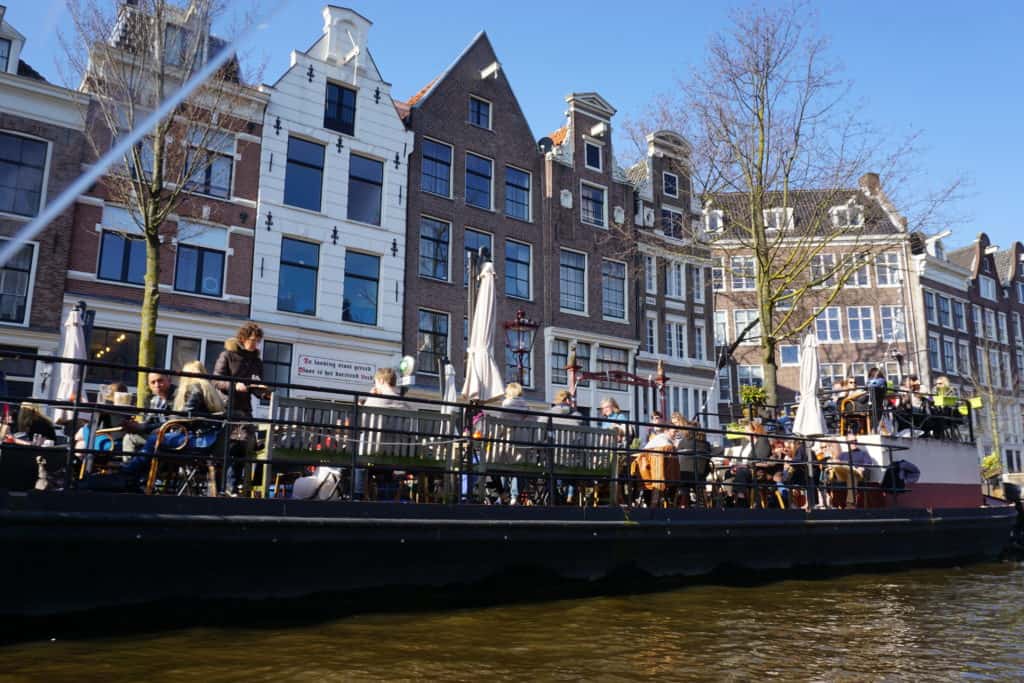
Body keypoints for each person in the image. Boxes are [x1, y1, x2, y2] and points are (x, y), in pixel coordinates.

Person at [120, 361, 226, 484]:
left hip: (196, 440)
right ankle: (134, 477)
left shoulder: (194, 387)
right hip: (206, 438)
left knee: (154, 440)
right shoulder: (208, 389)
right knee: (151, 439)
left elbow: (185, 419)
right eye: (152, 382)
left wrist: (146, 428)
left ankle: (129, 475)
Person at [213, 323, 271, 492]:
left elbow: (256, 386)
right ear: (243, 339)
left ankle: (236, 485)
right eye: (253, 340)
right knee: (230, 446)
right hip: (226, 406)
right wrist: (234, 385)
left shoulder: (256, 361)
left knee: (245, 445)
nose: (255, 344)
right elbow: (215, 380)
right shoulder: (228, 355)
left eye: (258, 341)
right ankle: (227, 486)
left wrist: (264, 393)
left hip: (245, 409)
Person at [122, 373, 176, 453]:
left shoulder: (178, 396)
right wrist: (138, 425)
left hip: (172, 436)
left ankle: (129, 465)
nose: (157, 385)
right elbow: (150, 420)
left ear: (169, 380)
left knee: (129, 438)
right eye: (153, 382)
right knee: (130, 435)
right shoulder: (155, 399)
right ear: (149, 385)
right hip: (158, 434)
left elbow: (173, 422)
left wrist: (143, 427)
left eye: (160, 381)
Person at [827, 436, 873, 508]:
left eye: (855, 440)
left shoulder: (863, 453)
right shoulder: (843, 454)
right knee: (833, 464)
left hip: (857, 475)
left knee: (851, 474)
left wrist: (862, 468)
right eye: (851, 441)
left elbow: (868, 464)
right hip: (843, 475)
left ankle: (850, 503)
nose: (854, 443)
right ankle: (829, 502)